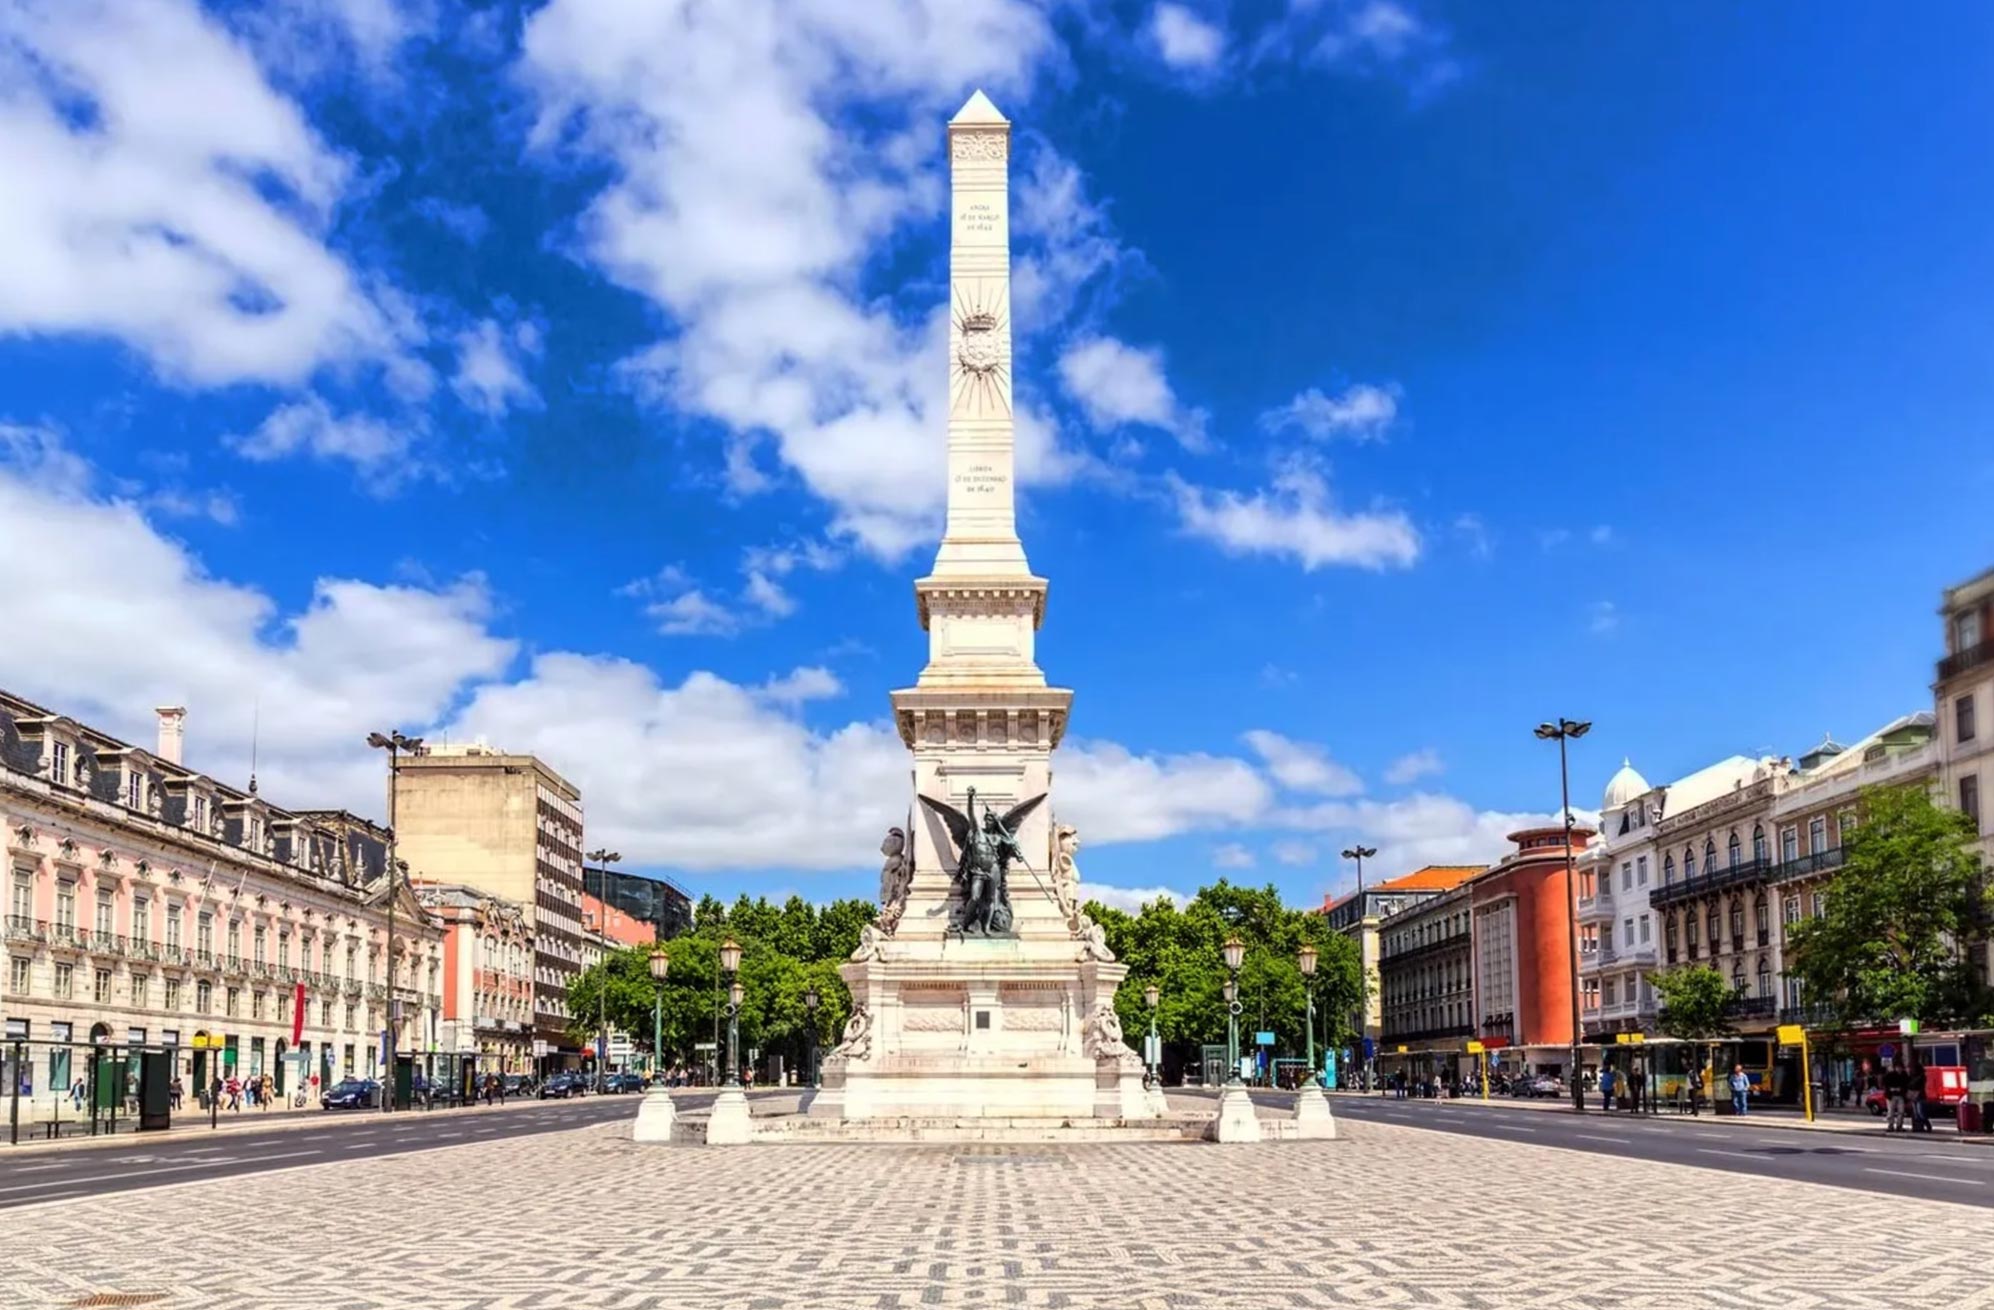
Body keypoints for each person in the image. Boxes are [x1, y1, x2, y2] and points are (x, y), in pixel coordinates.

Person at [1882, 1062, 1909, 1132]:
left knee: (1901, 1111)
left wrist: (1902, 1090)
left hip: (1900, 1095)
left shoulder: (1904, 1075)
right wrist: (1891, 1089)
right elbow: (1885, 1083)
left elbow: (1907, 1085)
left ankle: (1899, 1126)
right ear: (1895, 1068)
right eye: (1898, 1068)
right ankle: (1891, 1126)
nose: (1899, 1069)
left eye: (1900, 1068)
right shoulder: (1890, 1075)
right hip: (1892, 1095)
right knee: (1891, 1111)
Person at [1907, 1057, 1931, 1133]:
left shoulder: (1920, 1076)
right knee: (1917, 1113)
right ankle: (1920, 1127)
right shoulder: (1912, 1076)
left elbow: (1914, 1085)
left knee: (1920, 1113)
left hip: (1920, 1096)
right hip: (1916, 1096)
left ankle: (1926, 1125)